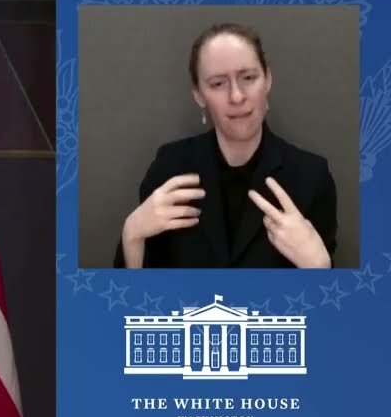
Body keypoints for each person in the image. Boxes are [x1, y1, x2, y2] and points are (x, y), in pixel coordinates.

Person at [115, 22, 337, 268]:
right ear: (198, 94)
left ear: (268, 79)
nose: (237, 96)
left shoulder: (311, 176)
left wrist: (319, 266)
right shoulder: (169, 167)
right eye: (218, 83)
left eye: (249, 78)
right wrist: (132, 235)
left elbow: (324, 302)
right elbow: (139, 298)